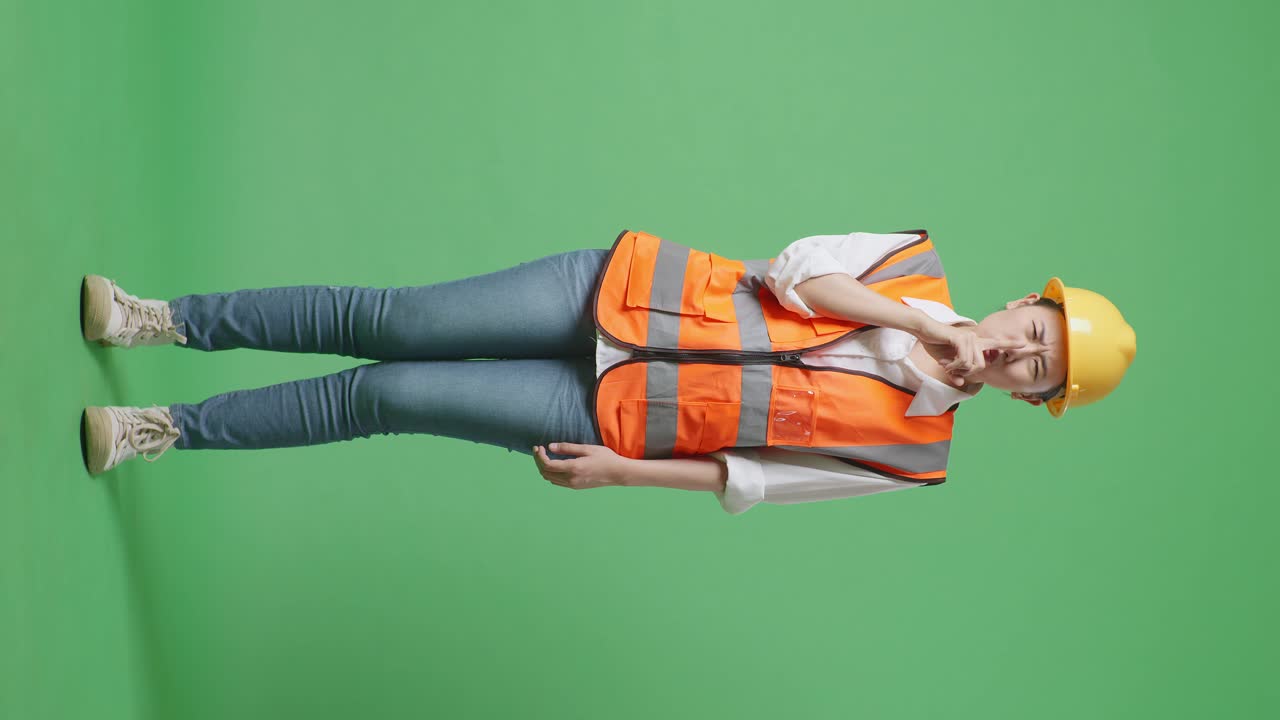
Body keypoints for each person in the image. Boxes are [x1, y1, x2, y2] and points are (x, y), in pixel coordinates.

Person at [79, 228, 1136, 514]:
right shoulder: (909, 263)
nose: (1021, 352)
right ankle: (160, 320)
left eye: (1039, 370)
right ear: (1020, 303)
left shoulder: (913, 456)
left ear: (1031, 397)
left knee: (387, 394)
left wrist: (618, 472)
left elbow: (755, 479)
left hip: (611, 413)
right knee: (392, 320)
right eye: (1034, 331)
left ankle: (163, 428)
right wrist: (919, 328)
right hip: (610, 291)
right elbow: (798, 271)